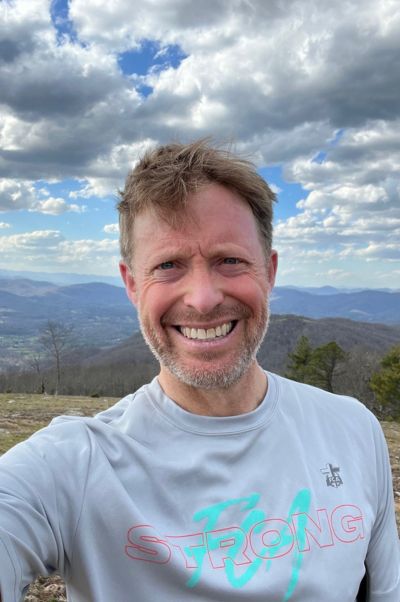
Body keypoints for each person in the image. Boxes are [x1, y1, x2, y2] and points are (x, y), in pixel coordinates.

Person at [0, 140, 399, 601]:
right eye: (168, 265)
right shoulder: (74, 465)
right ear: (132, 285)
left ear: (269, 272)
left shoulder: (354, 430)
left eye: (230, 260)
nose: (203, 298)